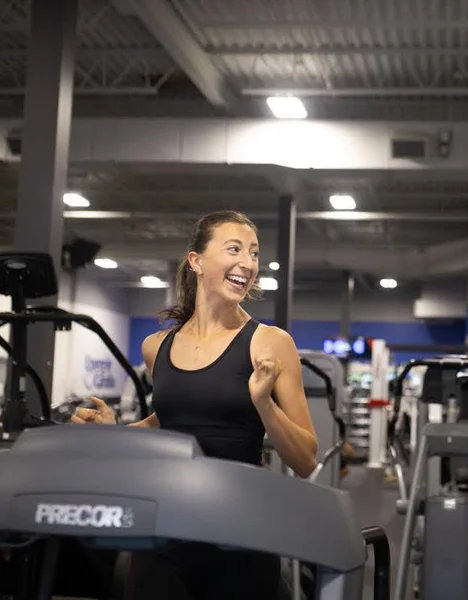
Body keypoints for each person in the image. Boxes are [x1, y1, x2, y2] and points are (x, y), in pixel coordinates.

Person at [71, 210, 319, 600]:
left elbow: (306, 459)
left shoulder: (270, 342)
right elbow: (171, 422)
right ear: (197, 261)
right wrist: (114, 432)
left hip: (239, 533)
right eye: (234, 249)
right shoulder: (157, 346)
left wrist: (263, 405)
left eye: (253, 253)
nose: (248, 263)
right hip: (167, 527)